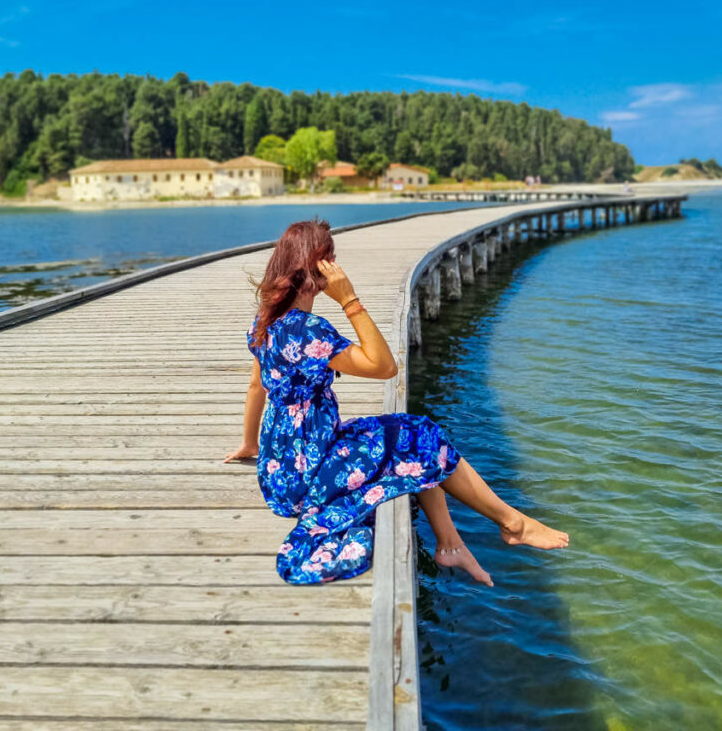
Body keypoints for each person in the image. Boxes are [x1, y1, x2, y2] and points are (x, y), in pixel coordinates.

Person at [225, 218, 568, 586]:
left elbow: (256, 387)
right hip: (308, 472)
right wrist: (349, 300)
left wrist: (251, 444)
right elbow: (384, 366)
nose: (336, 268)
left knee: (409, 434)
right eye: (331, 261)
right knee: (419, 434)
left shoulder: (264, 321)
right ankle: (511, 523)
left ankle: (452, 543)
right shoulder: (309, 331)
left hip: (278, 474)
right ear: (315, 270)